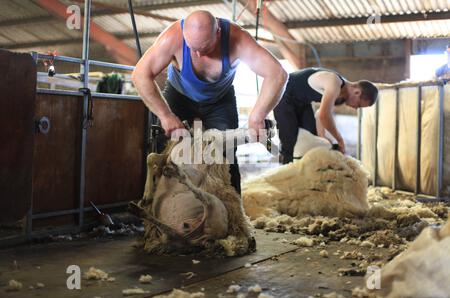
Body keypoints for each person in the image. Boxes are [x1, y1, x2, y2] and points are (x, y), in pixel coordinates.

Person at [132, 10, 287, 194]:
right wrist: (166, 116)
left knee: (227, 155)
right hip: (179, 97)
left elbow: (278, 74)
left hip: (220, 101)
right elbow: (140, 75)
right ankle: (164, 213)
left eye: (204, 48)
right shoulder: (172, 37)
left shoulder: (238, 39)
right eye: (192, 48)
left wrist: (258, 115)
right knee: (167, 153)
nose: (197, 54)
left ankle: (233, 216)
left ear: (218, 33)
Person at [273, 67, 378, 164]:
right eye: (358, 105)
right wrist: (340, 140)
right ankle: (286, 178)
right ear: (357, 92)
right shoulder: (334, 82)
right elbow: (324, 115)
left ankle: (304, 176)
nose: (355, 108)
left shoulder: (341, 97)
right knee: (289, 143)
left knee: (311, 140)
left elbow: (319, 114)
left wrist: (322, 138)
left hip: (302, 103)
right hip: (283, 95)